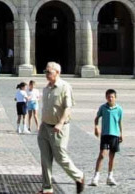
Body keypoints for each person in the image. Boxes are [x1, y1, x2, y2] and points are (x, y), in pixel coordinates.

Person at [37, 62, 86, 194]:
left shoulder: (65, 87)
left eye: (49, 72)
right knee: (45, 158)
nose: (46, 74)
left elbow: (68, 107)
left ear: (57, 72)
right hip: (45, 127)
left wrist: (60, 122)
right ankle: (47, 188)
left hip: (59, 128)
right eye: (46, 72)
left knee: (60, 157)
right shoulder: (46, 88)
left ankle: (78, 176)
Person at [91, 88, 124, 187]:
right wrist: (96, 127)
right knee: (102, 155)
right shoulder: (103, 107)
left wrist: (121, 133)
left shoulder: (119, 109)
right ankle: (96, 176)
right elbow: (97, 118)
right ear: (106, 97)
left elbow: (120, 122)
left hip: (114, 134)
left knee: (112, 157)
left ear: (115, 98)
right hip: (105, 134)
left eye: (112, 97)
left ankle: (110, 176)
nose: (110, 98)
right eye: (109, 97)